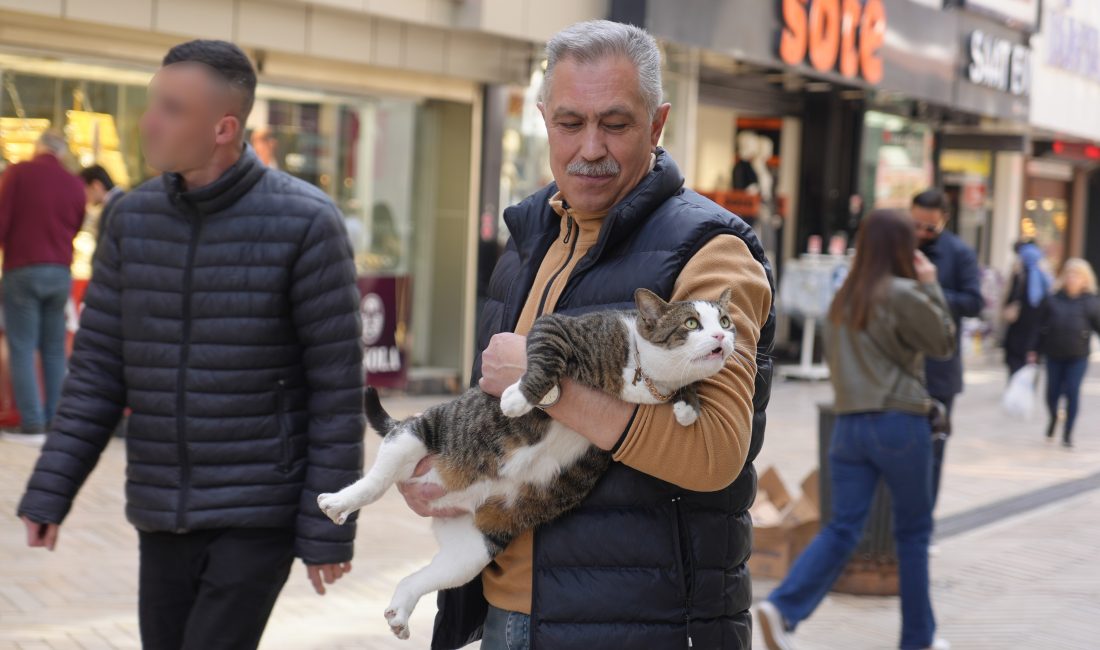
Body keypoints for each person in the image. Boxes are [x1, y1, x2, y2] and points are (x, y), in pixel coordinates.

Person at [400, 20, 775, 649]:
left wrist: (547, 386)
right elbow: (502, 414)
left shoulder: (713, 253)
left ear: (657, 125)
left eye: (616, 123)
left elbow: (714, 454)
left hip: (637, 625)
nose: (590, 147)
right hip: (504, 614)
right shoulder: (529, 240)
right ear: (544, 117)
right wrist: (451, 470)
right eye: (570, 122)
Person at [16, 40, 364, 650]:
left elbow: (336, 388)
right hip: (162, 508)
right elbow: (98, 369)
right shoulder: (130, 218)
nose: (149, 120)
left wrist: (329, 525)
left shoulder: (307, 223)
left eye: (171, 108)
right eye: (155, 102)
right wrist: (53, 488)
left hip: (259, 508)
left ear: (223, 128)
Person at [756, 209, 955, 650]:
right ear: (903, 247)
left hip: (847, 427)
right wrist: (931, 284)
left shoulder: (843, 297)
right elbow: (943, 342)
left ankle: (782, 608)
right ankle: (919, 639)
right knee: (913, 534)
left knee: (841, 528)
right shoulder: (904, 292)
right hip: (899, 423)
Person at [0, 130, 86, 445]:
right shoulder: (75, 183)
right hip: (60, 271)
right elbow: (77, 224)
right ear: (61, 153)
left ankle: (33, 423)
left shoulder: (18, 173)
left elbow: (1, 219)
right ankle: (55, 420)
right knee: (53, 349)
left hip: (22, 267)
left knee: (22, 346)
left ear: (39, 149)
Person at [910, 189, 982, 509]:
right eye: (915, 224)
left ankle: (923, 524)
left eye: (930, 228)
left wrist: (931, 290)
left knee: (932, 452)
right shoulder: (896, 245)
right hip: (896, 368)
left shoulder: (960, 253)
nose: (920, 233)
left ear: (945, 220)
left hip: (938, 369)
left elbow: (974, 302)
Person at [1029, 258, 1100, 448]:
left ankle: (1068, 433)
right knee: (1052, 394)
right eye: (1069, 273)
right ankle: (1053, 417)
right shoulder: (1052, 298)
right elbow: (1039, 326)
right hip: (1053, 354)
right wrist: (1034, 349)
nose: (1072, 278)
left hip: (1078, 356)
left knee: (1072, 392)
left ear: (1085, 279)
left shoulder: (1091, 302)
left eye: (1076, 275)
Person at [1003, 241, 1050, 376]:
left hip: (1021, 333)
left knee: (1017, 371)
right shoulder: (1043, 278)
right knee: (1027, 373)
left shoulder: (1021, 276)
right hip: (1033, 335)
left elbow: (1009, 301)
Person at [79, 164, 126, 246]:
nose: (84, 196)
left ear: (96, 185)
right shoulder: (118, 201)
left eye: (85, 190)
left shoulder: (116, 207)